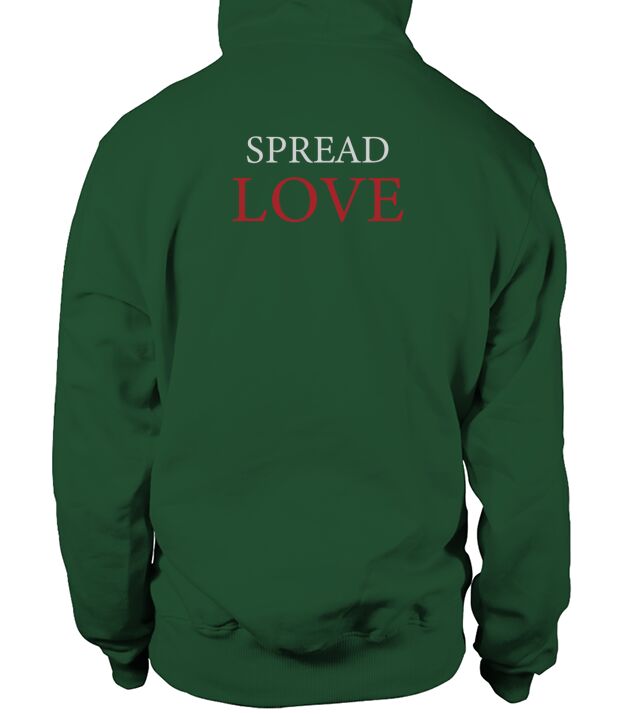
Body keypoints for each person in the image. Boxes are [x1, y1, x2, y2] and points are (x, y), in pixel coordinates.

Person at [52, 0, 570, 706]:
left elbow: (103, 427)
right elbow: (521, 440)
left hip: (204, 645)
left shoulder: (142, 151)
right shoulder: (492, 155)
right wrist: (516, 643)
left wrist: (116, 627)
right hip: (412, 649)